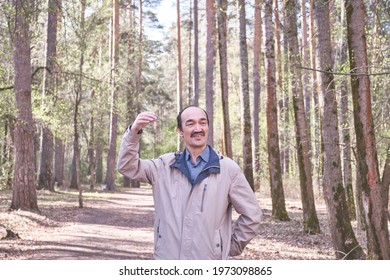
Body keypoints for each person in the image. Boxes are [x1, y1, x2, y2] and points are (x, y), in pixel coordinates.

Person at [117, 105, 262, 260]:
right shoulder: (163, 166)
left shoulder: (228, 169)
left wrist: (228, 247)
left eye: (202, 122)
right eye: (190, 123)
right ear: (180, 131)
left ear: (208, 127)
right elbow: (127, 166)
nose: (198, 128)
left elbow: (252, 214)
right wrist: (134, 132)